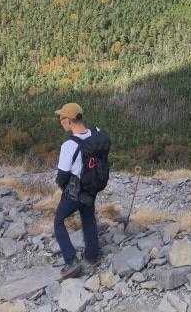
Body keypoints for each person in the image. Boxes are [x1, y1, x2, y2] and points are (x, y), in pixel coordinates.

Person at [51, 102, 110, 279]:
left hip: (76, 190)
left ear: (69, 121)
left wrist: (65, 189)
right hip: (93, 186)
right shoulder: (95, 134)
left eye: (62, 118)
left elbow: (62, 176)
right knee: (88, 217)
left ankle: (71, 262)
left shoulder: (69, 145)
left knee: (59, 221)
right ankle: (93, 256)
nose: (60, 121)